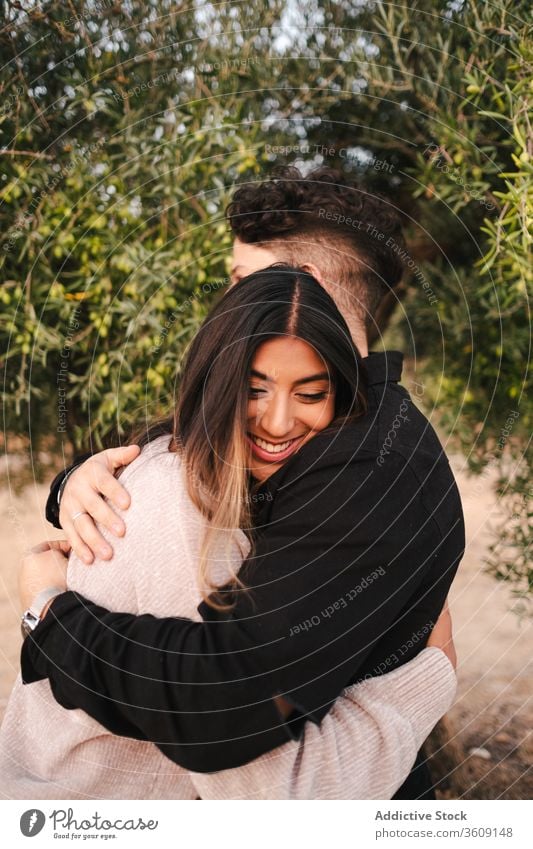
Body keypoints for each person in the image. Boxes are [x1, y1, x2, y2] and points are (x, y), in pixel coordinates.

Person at [21, 166, 465, 798]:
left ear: (296, 288)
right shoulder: (269, 420)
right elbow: (161, 454)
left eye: (239, 281)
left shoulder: (372, 469)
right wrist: (74, 484)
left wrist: (50, 617)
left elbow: (225, 708)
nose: (225, 304)